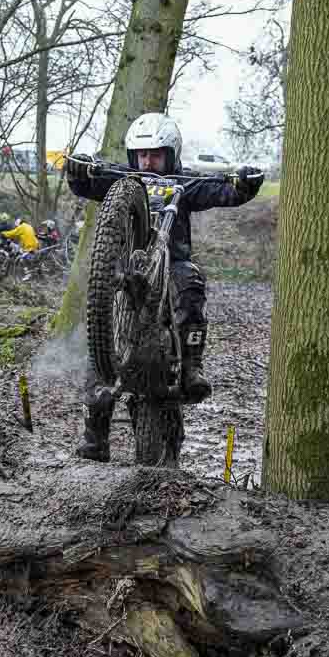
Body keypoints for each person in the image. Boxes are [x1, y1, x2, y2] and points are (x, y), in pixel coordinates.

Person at [66, 111, 264, 463]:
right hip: (125, 271)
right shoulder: (120, 179)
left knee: (190, 280)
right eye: (141, 154)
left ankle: (191, 366)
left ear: (170, 154)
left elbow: (223, 190)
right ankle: (94, 441)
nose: (147, 160)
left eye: (155, 154)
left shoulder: (184, 181)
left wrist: (244, 184)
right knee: (99, 355)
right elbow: (87, 184)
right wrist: (78, 170)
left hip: (171, 266)